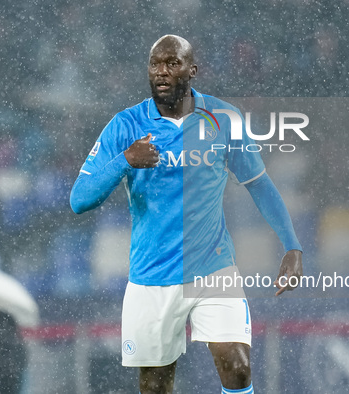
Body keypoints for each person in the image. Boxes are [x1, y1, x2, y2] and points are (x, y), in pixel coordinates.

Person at [70, 35, 303, 394]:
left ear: (192, 70)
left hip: (213, 267)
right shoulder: (126, 125)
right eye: (155, 64)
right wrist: (126, 161)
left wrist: (292, 246)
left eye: (172, 63)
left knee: (238, 368)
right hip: (152, 276)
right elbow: (79, 199)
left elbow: (258, 183)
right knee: (155, 386)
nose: (162, 72)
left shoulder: (224, 118)